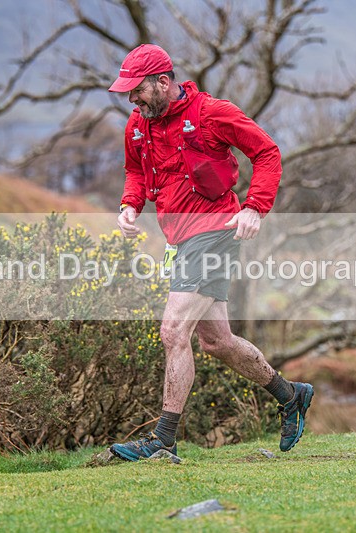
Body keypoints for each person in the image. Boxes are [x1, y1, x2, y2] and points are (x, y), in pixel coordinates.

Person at [108, 44, 314, 460]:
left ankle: (163, 439)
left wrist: (255, 206)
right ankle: (291, 395)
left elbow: (267, 152)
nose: (132, 99)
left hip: (215, 231)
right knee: (217, 341)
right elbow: (134, 170)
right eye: (128, 92)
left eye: (138, 90)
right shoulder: (137, 124)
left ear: (163, 82)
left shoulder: (211, 113)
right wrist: (131, 203)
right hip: (179, 238)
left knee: (173, 331)